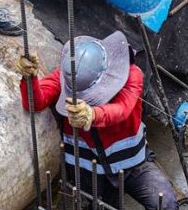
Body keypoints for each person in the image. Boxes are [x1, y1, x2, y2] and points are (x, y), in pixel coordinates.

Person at [16, 32, 178, 210]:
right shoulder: (69, 78)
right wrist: (29, 79)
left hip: (133, 165)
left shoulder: (132, 74)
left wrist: (92, 114)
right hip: (91, 173)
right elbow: (35, 103)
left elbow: (122, 109)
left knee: (166, 204)